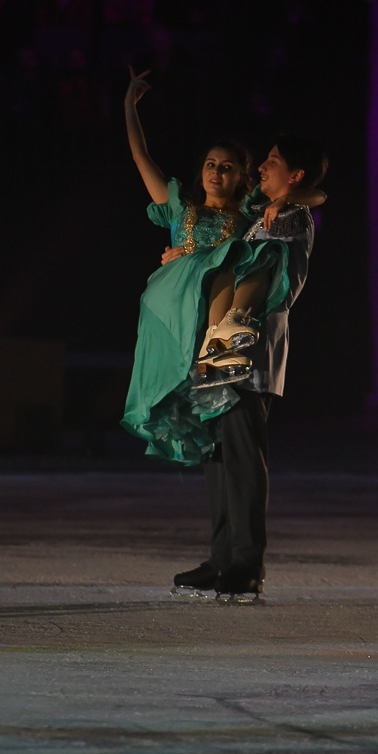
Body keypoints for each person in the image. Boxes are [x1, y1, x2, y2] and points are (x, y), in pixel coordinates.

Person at [120, 67, 324, 467]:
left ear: (242, 179)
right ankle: (218, 351)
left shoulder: (250, 213)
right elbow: (140, 156)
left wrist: (284, 200)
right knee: (228, 258)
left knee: (235, 256)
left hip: (212, 299)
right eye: (211, 164)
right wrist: (129, 105)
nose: (216, 171)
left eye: (227, 167)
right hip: (173, 299)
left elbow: (316, 195)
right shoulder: (181, 208)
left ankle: (219, 352)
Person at [172, 133, 329, 598]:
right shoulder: (266, 210)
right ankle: (222, 558)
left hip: (249, 351)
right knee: (218, 456)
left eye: (273, 161)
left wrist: (292, 198)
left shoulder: (291, 215)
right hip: (222, 345)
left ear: (295, 175)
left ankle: (246, 562)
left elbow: (252, 264)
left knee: (241, 456)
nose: (261, 166)